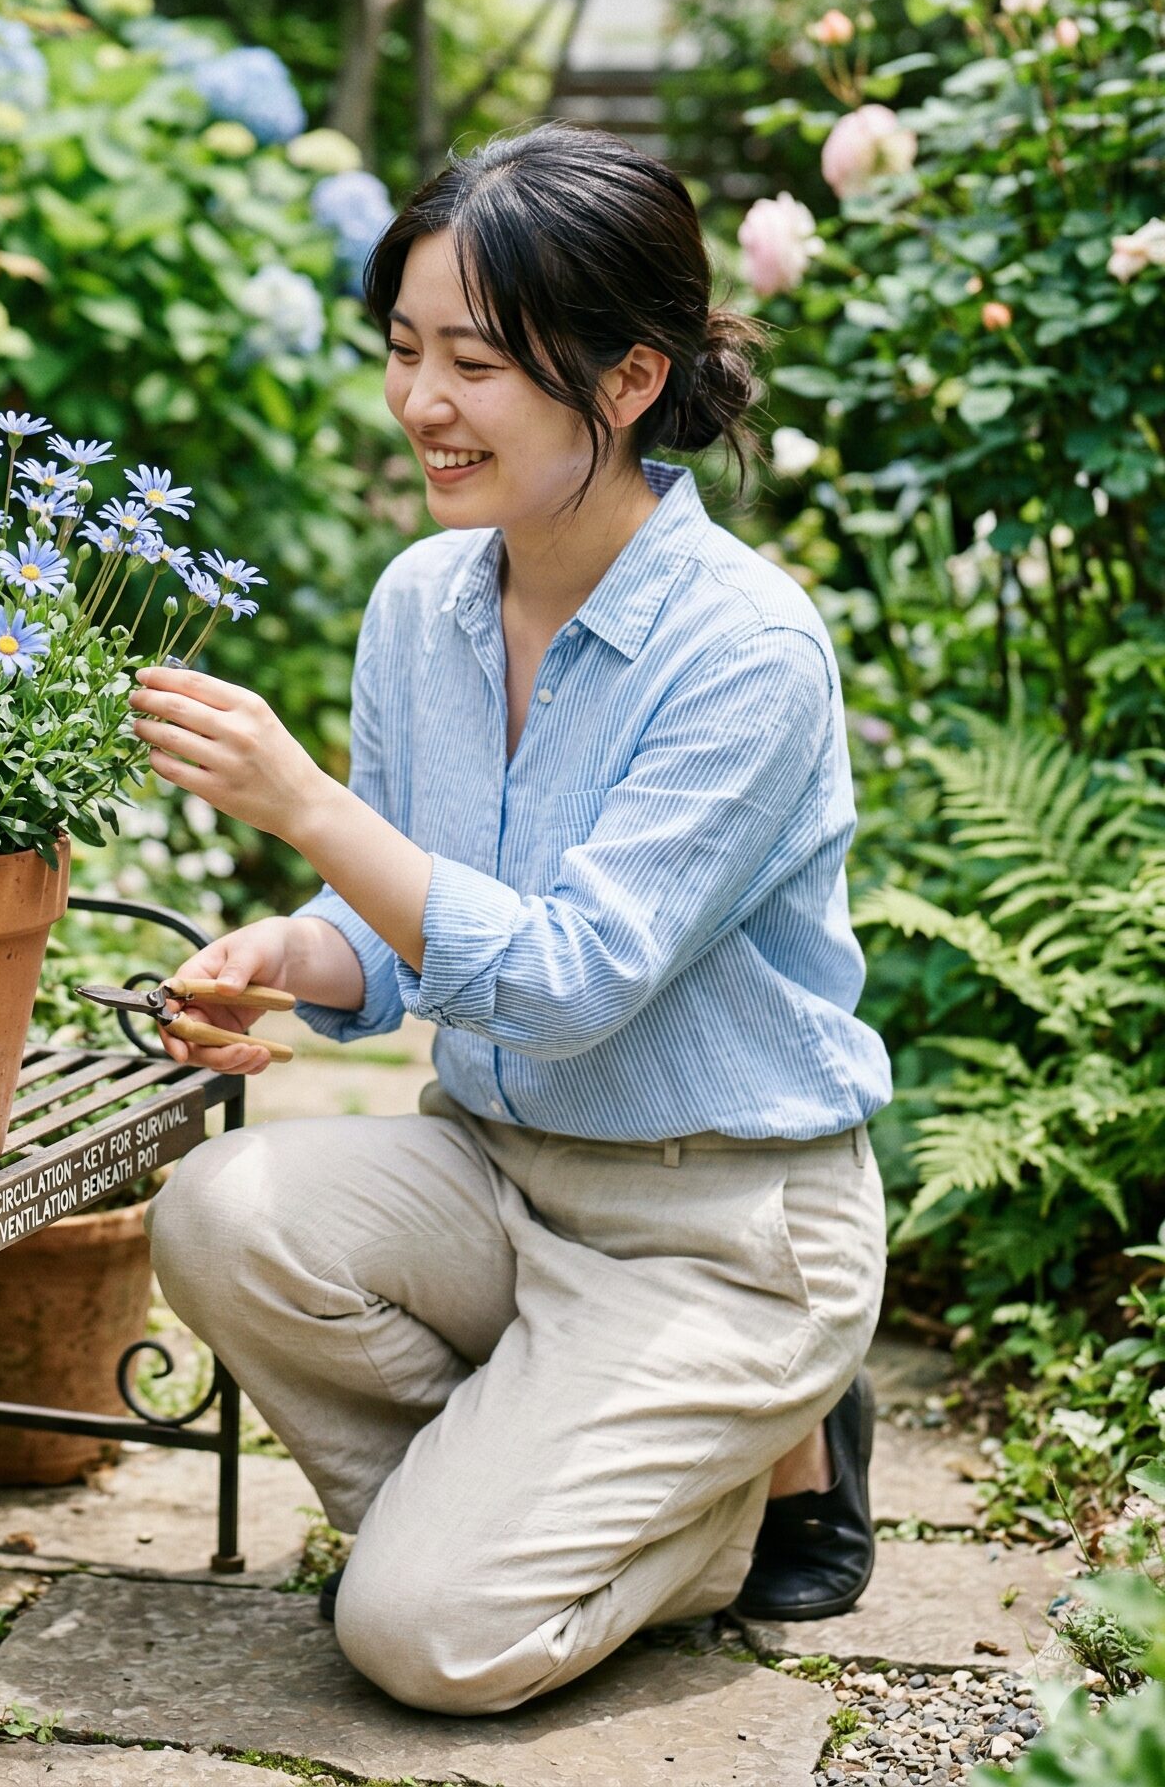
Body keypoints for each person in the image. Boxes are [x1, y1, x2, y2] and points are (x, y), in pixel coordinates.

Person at [127, 123, 889, 1716]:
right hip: (495, 1176)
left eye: (475, 361)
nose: (420, 404)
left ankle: (737, 1477)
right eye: (404, 350)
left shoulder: (746, 650)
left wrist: (306, 802)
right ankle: (571, 1470)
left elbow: (563, 981)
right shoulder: (425, 601)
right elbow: (408, 921)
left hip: (722, 1228)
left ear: (626, 381)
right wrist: (290, 952)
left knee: (423, 1641)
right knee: (218, 1209)